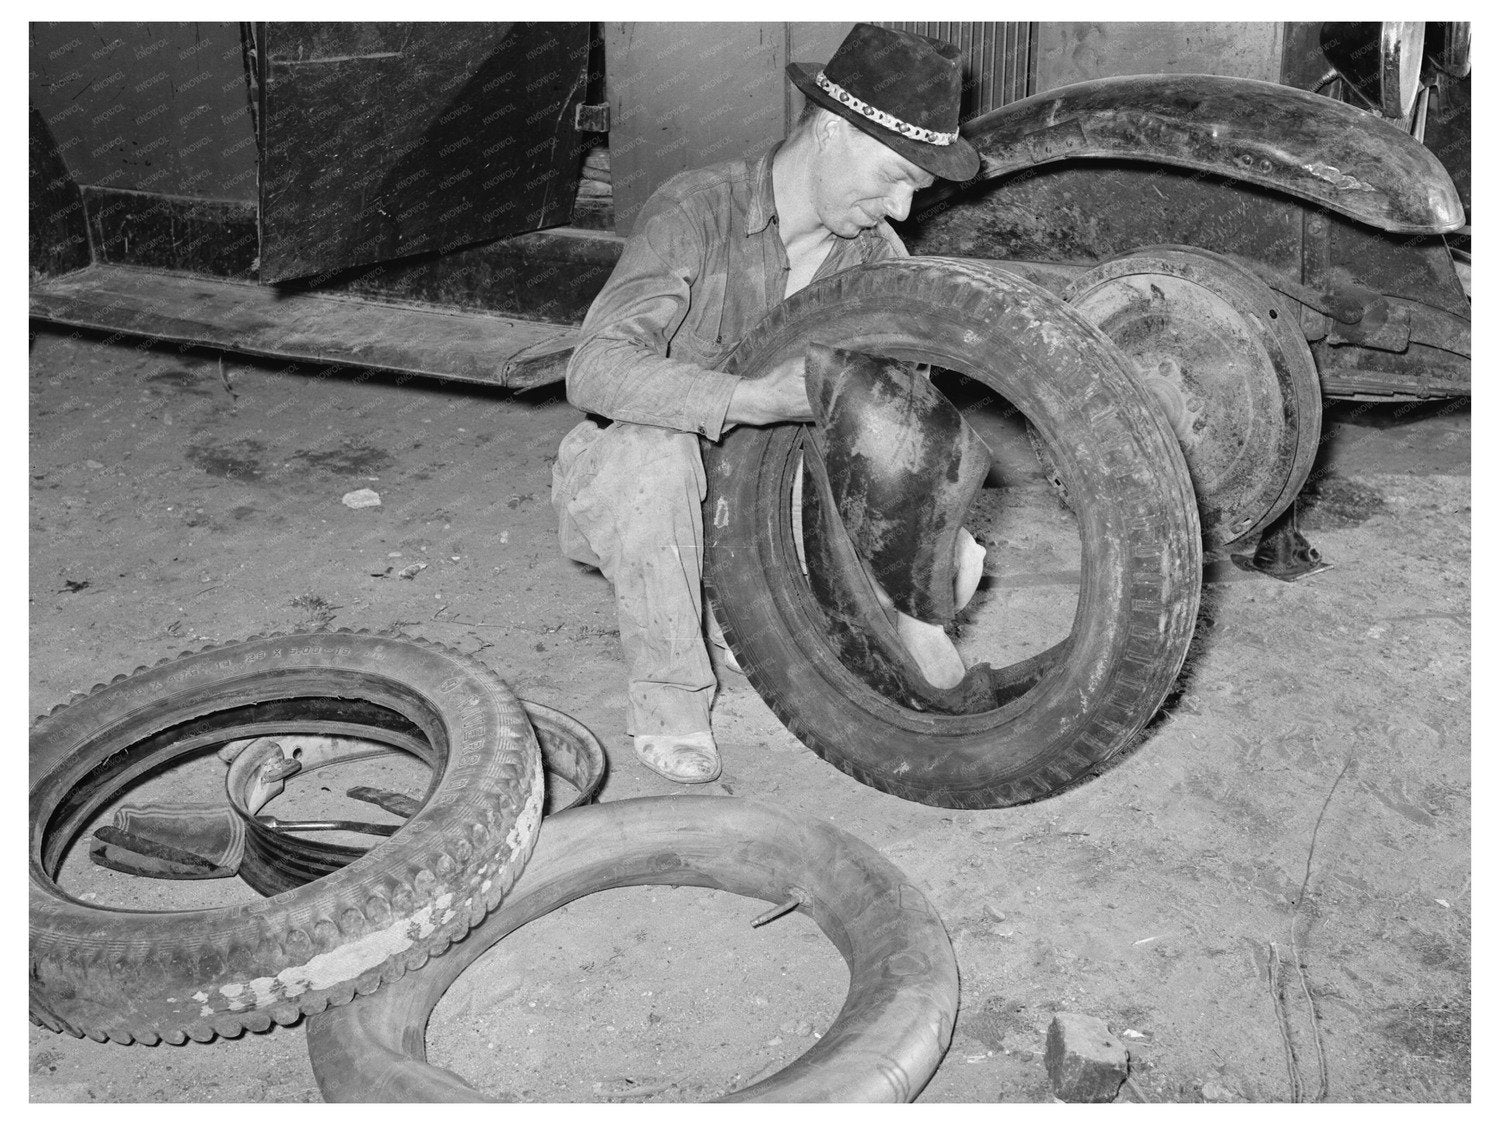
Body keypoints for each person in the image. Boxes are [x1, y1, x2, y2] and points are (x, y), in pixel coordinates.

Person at [551, 23, 981, 784]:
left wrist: (920, 591)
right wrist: (750, 399)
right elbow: (594, 369)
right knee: (653, 453)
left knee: (950, 540)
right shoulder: (698, 210)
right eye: (893, 175)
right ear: (831, 130)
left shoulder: (877, 256)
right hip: (636, 484)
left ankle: (740, 611)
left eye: (919, 185)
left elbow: (896, 435)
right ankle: (671, 696)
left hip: (767, 507)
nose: (904, 207)